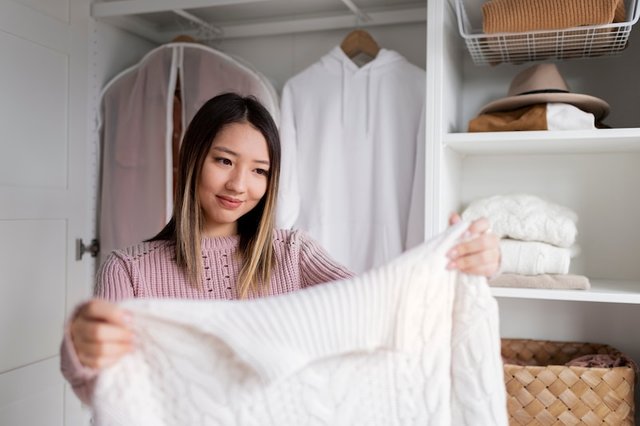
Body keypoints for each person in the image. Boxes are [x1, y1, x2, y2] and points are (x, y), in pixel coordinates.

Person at [60, 93, 500, 403]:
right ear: (192, 159)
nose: (239, 185)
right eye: (224, 161)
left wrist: (461, 266)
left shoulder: (293, 254)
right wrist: (82, 349)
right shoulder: (129, 269)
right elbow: (99, 389)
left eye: (259, 171)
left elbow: (383, 308)